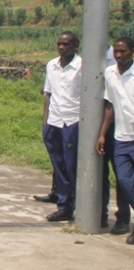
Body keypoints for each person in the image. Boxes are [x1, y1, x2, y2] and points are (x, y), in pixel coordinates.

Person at [97, 37, 134, 243]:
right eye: (116, 52)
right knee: (124, 180)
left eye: (124, 51)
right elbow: (109, 105)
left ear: (132, 51)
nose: (119, 56)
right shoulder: (110, 73)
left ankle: (127, 222)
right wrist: (103, 133)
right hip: (121, 137)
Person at [42, 31, 81, 222]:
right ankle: (64, 206)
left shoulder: (82, 67)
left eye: (66, 44)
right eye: (59, 44)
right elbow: (48, 94)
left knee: (71, 166)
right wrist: (45, 123)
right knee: (58, 166)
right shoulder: (51, 65)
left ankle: (79, 205)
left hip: (73, 122)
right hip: (54, 122)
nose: (61, 48)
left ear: (76, 46)